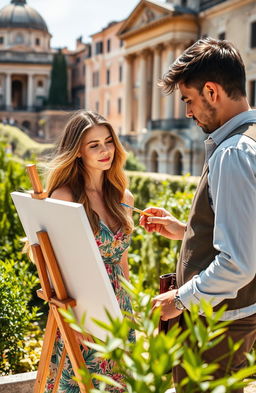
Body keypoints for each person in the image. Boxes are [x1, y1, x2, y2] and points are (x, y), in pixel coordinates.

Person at [140, 37, 256, 392]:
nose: (187, 112)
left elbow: (239, 262)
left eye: (188, 100)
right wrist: (185, 230)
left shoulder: (233, 153)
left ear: (211, 91)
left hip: (217, 328)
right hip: (237, 320)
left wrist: (179, 300)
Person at [44, 110, 135, 393]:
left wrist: (132, 314)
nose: (105, 150)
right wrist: (77, 319)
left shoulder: (123, 195)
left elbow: (122, 262)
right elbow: (54, 268)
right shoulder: (64, 197)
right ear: (78, 152)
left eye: (108, 141)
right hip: (83, 309)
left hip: (119, 309)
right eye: (94, 145)